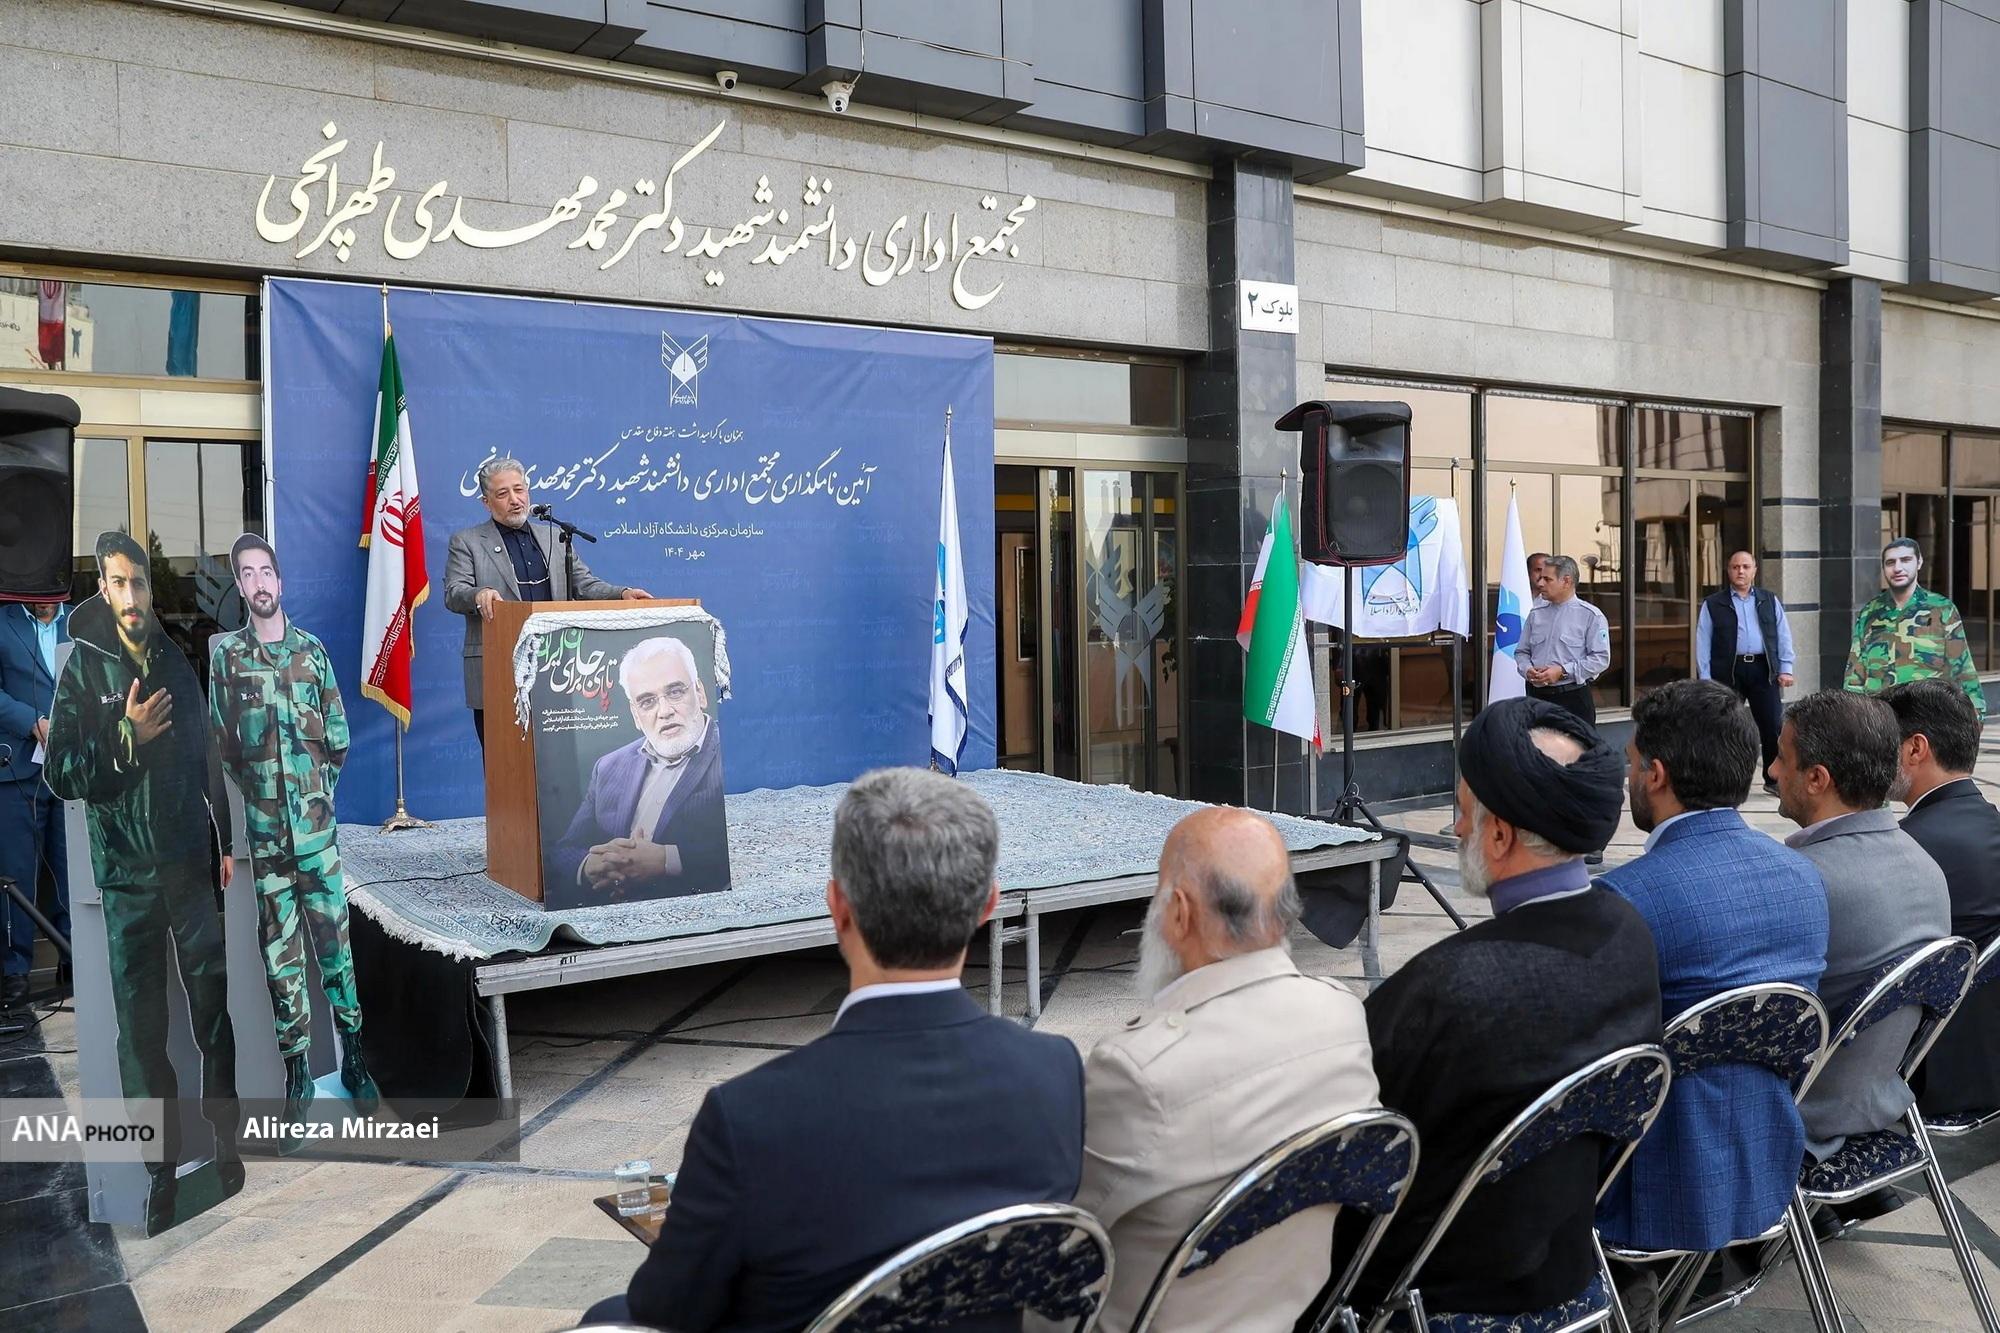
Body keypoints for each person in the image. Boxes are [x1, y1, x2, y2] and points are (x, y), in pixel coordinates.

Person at [584, 768, 1083, 1333]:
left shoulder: (748, 1116)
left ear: (838, 906)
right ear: (987, 905)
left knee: (608, 1317)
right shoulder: (1056, 1072)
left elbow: (666, 1310)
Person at [1316, 698, 1661, 1320]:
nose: (1454, 830)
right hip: (1566, 1270)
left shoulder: (1449, 986)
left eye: (1463, 811)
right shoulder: (1630, 932)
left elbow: (1351, 1143)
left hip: (1432, 1292)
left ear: (1499, 835)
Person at [1069, 807, 1376, 1333]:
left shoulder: (1138, 1070)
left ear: (1179, 913)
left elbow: (1067, 1240)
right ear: (1283, 910)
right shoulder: (1344, 1017)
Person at [1593, 680, 1827, 1326]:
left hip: (1645, 1190)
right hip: (1770, 1163)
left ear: (1657, 774)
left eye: (1631, 763)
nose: (1628, 778)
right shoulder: (1803, 877)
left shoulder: (1626, 898)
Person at [43, 531, 241, 1230]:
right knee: (141, 1034)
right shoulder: (84, 667)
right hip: (128, 880)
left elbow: (204, 755)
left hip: (190, 869)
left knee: (213, 1014)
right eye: (119, 583)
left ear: (152, 589)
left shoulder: (174, 659)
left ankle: (226, 1143)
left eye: (141, 582)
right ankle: (159, 1173)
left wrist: (221, 839)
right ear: (103, 587)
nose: (132, 596)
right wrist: (126, 737)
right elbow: (61, 772)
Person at [209, 534, 378, 1127]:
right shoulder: (229, 659)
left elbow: (337, 736)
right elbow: (226, 748)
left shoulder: (312, 652)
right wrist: (264, 803)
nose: (259, 583)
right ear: (240, 586)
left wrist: (314, 799)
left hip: (317, 839)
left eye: (266, 572)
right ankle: (298, 1075)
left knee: (336, 950)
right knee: (280, 959)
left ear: (280, 582)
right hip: (267, 842)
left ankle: (355, 1059)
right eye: (247, 574)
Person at [1769, 689, 1951, 1168]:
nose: (1771, 770)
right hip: (1879, 1097)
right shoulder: (1926, 865)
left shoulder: (1801, 881)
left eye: (1782, 757)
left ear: (1817, 779)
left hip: (1801, 1115)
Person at [443, 458, 652, 747]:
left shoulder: (555, 537)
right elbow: (454, 592)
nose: (515, 500)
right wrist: (478, 595)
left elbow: (584, 585)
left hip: (556, 668)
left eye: (519, 490)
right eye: (503, 494)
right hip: (498, 668)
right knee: (505, 758)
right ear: (486, 502)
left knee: (558, 757)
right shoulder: (467, 541)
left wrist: (622, 594)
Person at [1882, 679, 2000, 1117]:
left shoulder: (1907, 850)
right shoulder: (1990, 825)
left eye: (1882, 745)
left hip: (1924, 1075)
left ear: (1916, 749)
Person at [551, 635, 729, 898]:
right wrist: (591, 865)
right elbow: (563, 851)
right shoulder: (608, 767)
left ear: (700, 693)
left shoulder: (729, 752)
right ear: (636, 714)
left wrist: (666, 860)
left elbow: (746, 846)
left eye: (675, 692)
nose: (664, 711)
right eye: (647, 701)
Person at [0, 598, 71, 1010]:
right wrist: (31, 721)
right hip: (17, 767)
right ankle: (15, 971)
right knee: (18, 873)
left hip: (74, 767)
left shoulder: (81, 622)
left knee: (71, 869)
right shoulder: (3, 623)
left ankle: (74, 958)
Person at [1844, 538, 1985, 713]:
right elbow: (1855, 674)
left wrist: (1976, 715)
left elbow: (1963, 670)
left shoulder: (1942, 609)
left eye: (1905, 560)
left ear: (1919, 562)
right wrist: (1851, 715)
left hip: (1929, 716)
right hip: (1880, 719)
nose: (1897, 568)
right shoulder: (1870, 613)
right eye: (1890, 562)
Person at [1697, 551, 1796, 790]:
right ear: (1728, 571)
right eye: (1735, 567)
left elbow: (1782, 635)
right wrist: (1706, 678)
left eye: (1745, 566)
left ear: (1754, 570)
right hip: (1727, 672)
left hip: (1763, 670)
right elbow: (1703, 641)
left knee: (1772, 725)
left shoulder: (1768, 600)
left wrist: (1786, 668)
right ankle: (1724, 780)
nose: (1740, 571)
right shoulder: (1713, 603)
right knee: (1724, 726)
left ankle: (1773, 779)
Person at [1518, 554, 1611, 725]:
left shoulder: (1591, 616)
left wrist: (1563, 671)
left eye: (1547, 579)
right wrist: (1527, 669)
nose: (1540, 583)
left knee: (1575, 742)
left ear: (1566, 581)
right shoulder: (1536, 613)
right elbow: (1522, 652)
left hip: (1572, 699)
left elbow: (1600, 659)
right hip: (1536, 698)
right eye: (1540, 578)